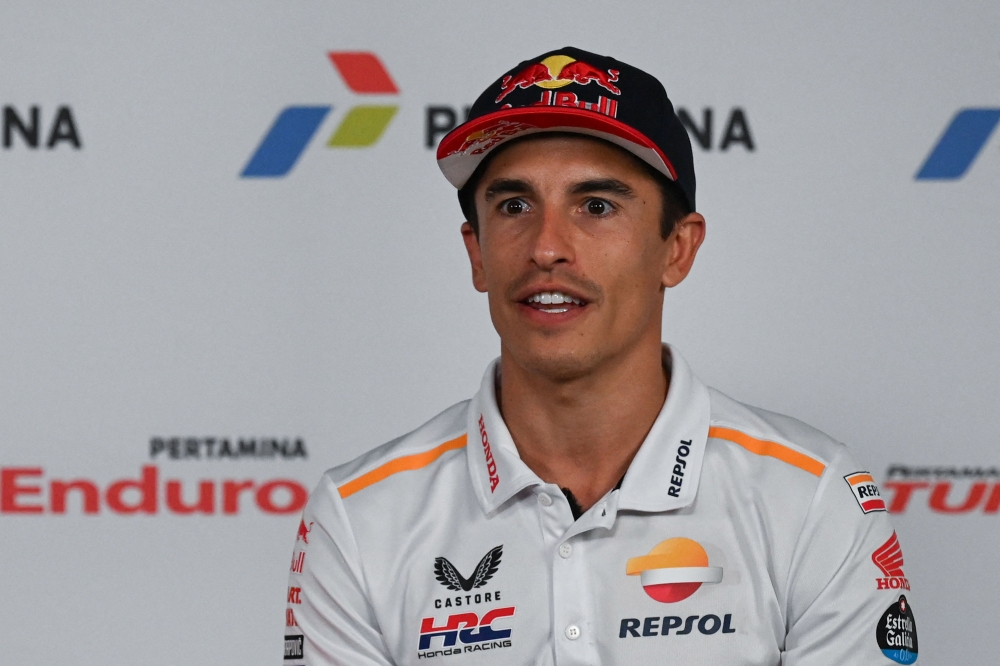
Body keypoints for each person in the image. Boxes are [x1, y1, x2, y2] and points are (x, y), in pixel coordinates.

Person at [282, 47, 918, 666]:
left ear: (678, 248)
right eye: (514, 206)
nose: (547, 247)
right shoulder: (361, 516)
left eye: (596, 206)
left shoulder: (810, 497)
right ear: (476, 253)